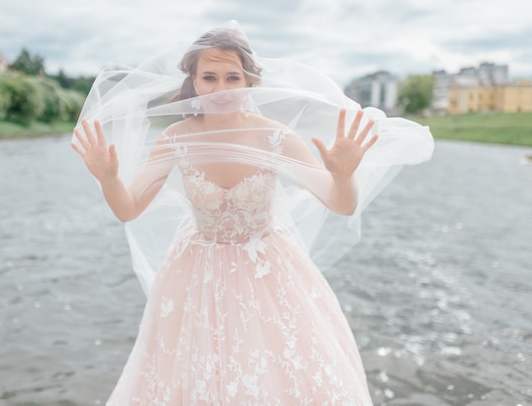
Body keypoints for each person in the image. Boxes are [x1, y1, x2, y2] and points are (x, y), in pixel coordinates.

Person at [72, 21, 433, 406]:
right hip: (196, 271)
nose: (222, 89)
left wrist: (342, 175)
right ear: (193, 81)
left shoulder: (274, 136)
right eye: (209, 77)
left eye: (233, 77)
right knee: (193, 375)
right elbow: (129, 209)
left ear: (249, 81)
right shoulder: (175, 138)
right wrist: (110, 178)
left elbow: (341, 204)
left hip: (268, 270)